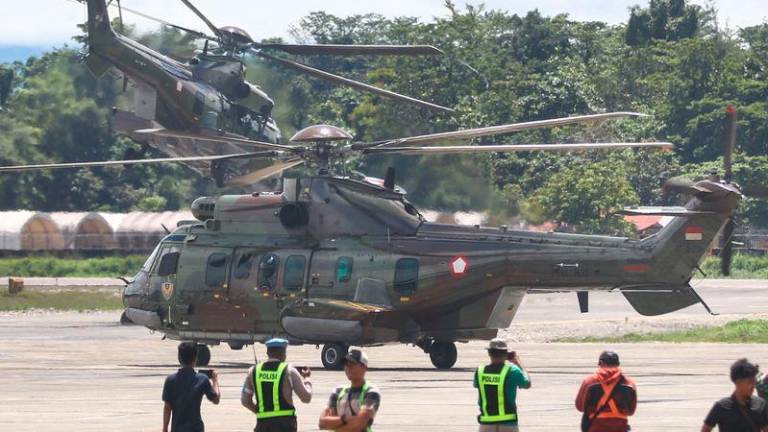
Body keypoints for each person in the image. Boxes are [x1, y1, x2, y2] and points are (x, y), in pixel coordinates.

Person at [241, 338, 312, 432]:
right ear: (283, 354)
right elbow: (306, 397)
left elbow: (245, 401)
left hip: (263, 424)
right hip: (285, 425)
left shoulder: (253, 371)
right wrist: (307, 379)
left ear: (267, 352)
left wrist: (260, 412)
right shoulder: (289, 371)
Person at [473, 338, 531, 432]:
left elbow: (477, 385)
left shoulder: (480, 372)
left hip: (486, 423)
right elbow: (527, 384)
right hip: (508, 424)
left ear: (489, 353)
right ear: (505, 354)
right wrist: (519, 364)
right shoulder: (513, 371)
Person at [162, 342, 221, 432]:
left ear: (179, 358)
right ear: (195, 358)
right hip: (196, 428)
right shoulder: (202, 379)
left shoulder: (170, 380)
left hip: (178, 428)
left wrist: (165, 428)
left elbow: (167, 408)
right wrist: (215, 380)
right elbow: (216, 399)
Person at [319, 348, 381, 432]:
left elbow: (358, 425)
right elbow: (323, 423)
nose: (348, 368)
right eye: (346, 364)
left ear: (364, 367)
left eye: (352, 364)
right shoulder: (338, 391)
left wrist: (335, 424)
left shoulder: (371, 392)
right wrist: (345, 419)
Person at [575, 351, 637, 432]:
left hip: (595, 428)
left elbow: (580, 407)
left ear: (601, 363)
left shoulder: (589, 381)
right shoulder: (629, 383)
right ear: (618, 364)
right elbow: (630, 411)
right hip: (620, 427)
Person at [701, 358, 768, 432]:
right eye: (750, 382)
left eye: (754, 382)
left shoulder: (760, 404)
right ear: (738, 382)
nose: (753, 386)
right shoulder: (721, 407)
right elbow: (706, 429)